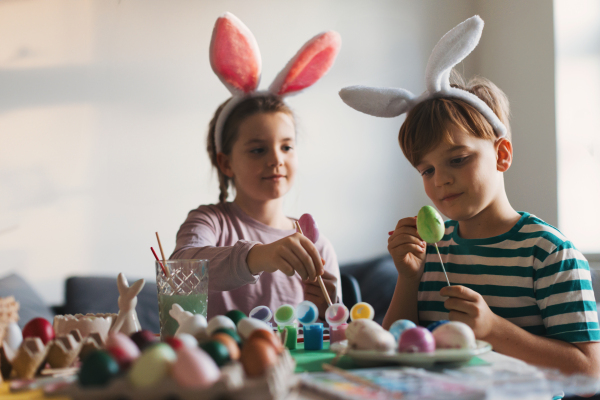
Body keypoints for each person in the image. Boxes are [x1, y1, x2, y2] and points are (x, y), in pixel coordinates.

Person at [340, 16, 600, 376]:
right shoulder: (432, 252)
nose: (441, 180)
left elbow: (590, 371)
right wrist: (409, 277)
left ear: (502, 154)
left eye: (458, 159)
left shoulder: (549, 253)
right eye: (426, 170)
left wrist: (494, 329)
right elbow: (393, 355)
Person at [171, 13, 342, 320]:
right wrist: (259, 255)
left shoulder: (317, 245)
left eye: (286, 146)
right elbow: (181, 272)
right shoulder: (209, 222)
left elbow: (334, 330)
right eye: (258, 149)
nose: (276, 158)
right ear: (226, 162)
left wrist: (327, 311)